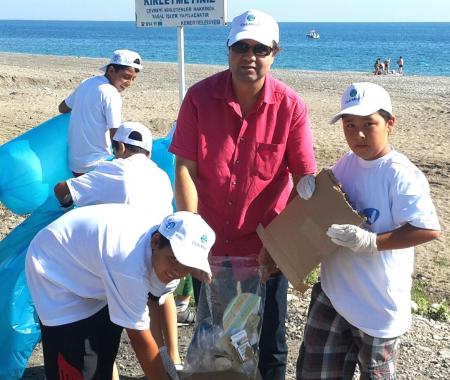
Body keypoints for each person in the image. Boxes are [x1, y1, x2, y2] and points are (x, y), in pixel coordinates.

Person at [169, 9, 317, 379]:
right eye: (241, 47)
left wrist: (281, 245)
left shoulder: (291, 106)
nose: (249, 56)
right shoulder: (199, 98)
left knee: (269, 338)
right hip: (211, 243)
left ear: (275, 54)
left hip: (267, 245)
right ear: (228, 50)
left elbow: (305, 182)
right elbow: (185, 168)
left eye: (260, 49)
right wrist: (192, 235)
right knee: (211, 333)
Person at [294, 82, 440, 379]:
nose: (358, 134)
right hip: (333, 293)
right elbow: (329, 198)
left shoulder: (400, 174)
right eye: (349, 125)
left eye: (368, 124)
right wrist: (311, 188)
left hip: (377, 307)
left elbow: (427, 229)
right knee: (314, 372)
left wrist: (371, 241)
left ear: (390, 124)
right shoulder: (347, 163)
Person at [25, 206, 215, 380]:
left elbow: (152, 302)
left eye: (187, 265)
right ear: (156, 241)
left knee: (104, 354)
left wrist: (164, 356)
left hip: (95, 268)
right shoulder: (130, 267)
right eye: (174, 259)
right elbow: (140, 340)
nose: (178, 271)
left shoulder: (161, 254)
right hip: (54, 271)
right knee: (77, 364)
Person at [54, 121, 183, 370]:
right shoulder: (160, 175)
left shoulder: (114, 170)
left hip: (129, 259)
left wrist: (64, 199)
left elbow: (64, 190)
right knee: (160, 297)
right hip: (164, 260)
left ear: (120, 147)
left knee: (109, 316)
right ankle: (173, 362)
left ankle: (113, 372)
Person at [58, 49, 142, 176]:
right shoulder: (111, 93)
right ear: (111, 70)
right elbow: (116, 136)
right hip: (97, 165)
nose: (129, 83)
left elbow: (62, 108)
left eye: (133, 79)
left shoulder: (87, 82)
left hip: (75, 164)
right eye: (126, 77)